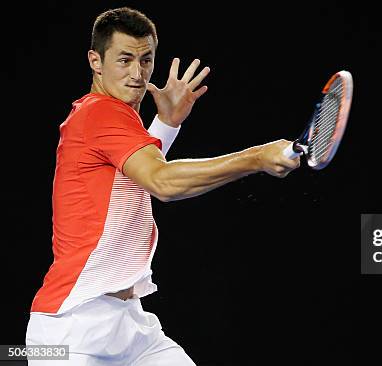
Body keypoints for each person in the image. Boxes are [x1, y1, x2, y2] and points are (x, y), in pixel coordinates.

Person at [25, 7, 299, 365]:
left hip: (132, 328)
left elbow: (129, 182)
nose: (137, 74)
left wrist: (167, 124)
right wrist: (258, 157)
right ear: (96, 61)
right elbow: (162, 182)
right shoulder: (100, 112)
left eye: (146, 60)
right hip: (71, 331)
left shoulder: (110, 121)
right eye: (124, 60)